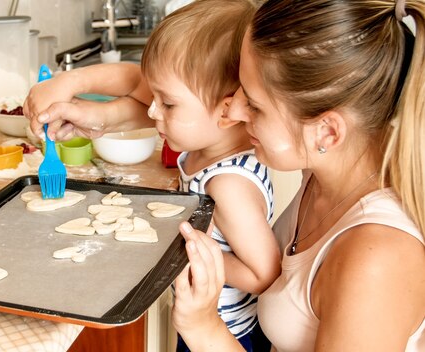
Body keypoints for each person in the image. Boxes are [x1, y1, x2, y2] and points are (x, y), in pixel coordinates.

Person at [27, 0, 425, 350]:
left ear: (327, 131)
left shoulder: (378, 261)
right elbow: (164, 94)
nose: (231, 116)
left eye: (253, 105)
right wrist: (93, 112)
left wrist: (203, 327)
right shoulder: (327, 170)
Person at [25, 1, 281, 350]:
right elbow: (137, 79)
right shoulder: (207, 145)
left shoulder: (229, 185)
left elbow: (264, 273)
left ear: (227, 111)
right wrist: (73, 85)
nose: (152, 109)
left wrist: (178, 252)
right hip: (201, 321)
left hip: (224, 334)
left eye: (168, 104)